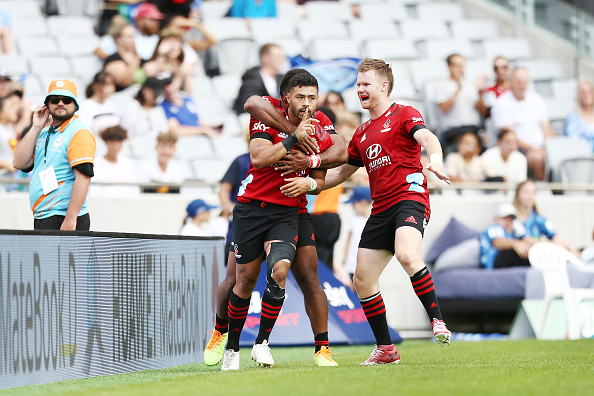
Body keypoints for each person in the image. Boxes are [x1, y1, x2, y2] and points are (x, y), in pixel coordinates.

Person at [204, 68, 347, 371]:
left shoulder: (320, 123)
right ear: (286, 98)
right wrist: (294, 136)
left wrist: (309, 167)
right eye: (301, 97)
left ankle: (289, 345)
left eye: (312, 97)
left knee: (297, 274)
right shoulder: (267, 112)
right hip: (250, 209)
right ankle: (221, 332)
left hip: (289, 210)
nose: (307, 103)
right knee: (239, 279)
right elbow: (253, 113)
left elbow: (340, 154)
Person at [323, 58, 452, 365]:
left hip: (410, 197)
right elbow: (340, 174)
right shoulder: (362, 132)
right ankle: (386, 349)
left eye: (365, 84)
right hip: (380, 208)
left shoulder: (404, 113)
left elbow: (428, 137)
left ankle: (437, 320)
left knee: (407, 254)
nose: (359, 89)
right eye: (357, 85)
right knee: (363, 280)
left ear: (383, 86)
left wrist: (436, 159)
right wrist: (307, 186)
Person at [12, 79, 96, 231]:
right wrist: (36, 126)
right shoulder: (44, 133)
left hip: (64, 217)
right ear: (47, 104)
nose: (61, 103)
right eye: (55, 100)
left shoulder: (79, 132)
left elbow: (83, 178)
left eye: (67, 100)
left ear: (75, 105)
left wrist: (71, 218)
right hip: (43, 216)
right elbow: (19, 163)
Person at [491, 67, 554, 181]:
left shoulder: (537, 99)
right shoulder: (501, 103)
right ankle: (545, 189)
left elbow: (545, 127)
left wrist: (548, 146)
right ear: (510, 82)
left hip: (542, 147)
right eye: (519, 82)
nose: (522, 86)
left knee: (556, 154)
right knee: (539, 158)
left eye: (524, 82)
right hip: (519, 150)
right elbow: (509, 136)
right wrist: (535, 149)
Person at [512, 179, 579, 255]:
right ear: (518, 194)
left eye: (532, 193)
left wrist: (571, 250)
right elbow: (524, 238)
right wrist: (548, 244)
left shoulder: (539, 218)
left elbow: (555, 237)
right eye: (526, 192)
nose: (529, 197)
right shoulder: (510, 215)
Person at [434, 54, 483, 152]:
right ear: (449, 67)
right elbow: (444, 108)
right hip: (453, 129)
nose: (461, 69)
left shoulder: (469, 86)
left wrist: (480, 92)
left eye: (462, 66)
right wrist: (457, 90)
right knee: (470, 139)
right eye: (457, 66)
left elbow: (480, 109)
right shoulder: (441, 86)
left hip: (472, 127)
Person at [160, 72, 220, 138]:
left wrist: (210, 128)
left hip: (199, 137)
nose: (169, 88)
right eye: (165, 85)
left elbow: (197, 121)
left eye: (170, 83)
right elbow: (176, 130)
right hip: (187, 140)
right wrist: (203, 131)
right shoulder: (163, 107)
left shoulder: (187, 100)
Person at [95, 3, 163, 61]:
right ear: (140, 20)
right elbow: (98, 50)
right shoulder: (128, 32)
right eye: (152, 20)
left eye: (157, 20)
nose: (156, 23)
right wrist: (118, 61)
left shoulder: (159, 38)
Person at [232, 43, 285, 115]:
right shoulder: (252, 79)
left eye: (282, 57)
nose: (280, 60)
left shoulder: (282, 79)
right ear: (264, 57)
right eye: (277, 57)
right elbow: (247, 105)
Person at [337, 186, 373, 290]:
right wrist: (344, 260)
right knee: (354, 292)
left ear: (363, 202)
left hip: (369, 266)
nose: (352, 207)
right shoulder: (353, 220)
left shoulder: (373, 221)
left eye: (354, 204)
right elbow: (348, 241)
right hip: (352, 266)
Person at [90, 125, 141, 197]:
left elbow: (135, 191)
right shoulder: (96, 164)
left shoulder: (129, 165)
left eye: (118, 141)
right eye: (112, 141)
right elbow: (94, 192)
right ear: (106, 142)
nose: (115, 146)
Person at [478, 203, 531, 269]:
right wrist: (515, 244)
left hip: (507, 262)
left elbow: (527, 239)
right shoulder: (494, 226)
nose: (508, 221)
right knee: (513, 253)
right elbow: (497, 242)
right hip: (492, 261)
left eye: (511, 219)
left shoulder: (513, 231)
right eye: (505, 218)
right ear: (495, 219)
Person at [121, 73, 170, 139]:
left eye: (158, 94)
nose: (156, 97)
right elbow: (125, 132)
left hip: (155, 147)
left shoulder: (158, 109)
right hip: (135, 146)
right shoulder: (132, 107)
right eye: (154, 93)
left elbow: (164, 132)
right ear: (145, 90)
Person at [102, 22, 144, 92]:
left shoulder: (137, 58)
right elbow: (124, 81)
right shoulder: (112, 60)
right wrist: (136, 59)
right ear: (117, 39)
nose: (133, 40)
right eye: (129, 37)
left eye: (133, 36)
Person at [563, 79, 594, 152]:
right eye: (583, 92)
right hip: (579, 156)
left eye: (589, 91)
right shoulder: (572, 117)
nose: (586, 94)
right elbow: (570, 140)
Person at [0, 90, 20, 178]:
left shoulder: (9, 128)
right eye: (11, 107)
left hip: (11, 177)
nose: (15, 110)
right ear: (1, 112)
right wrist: (7, 165)